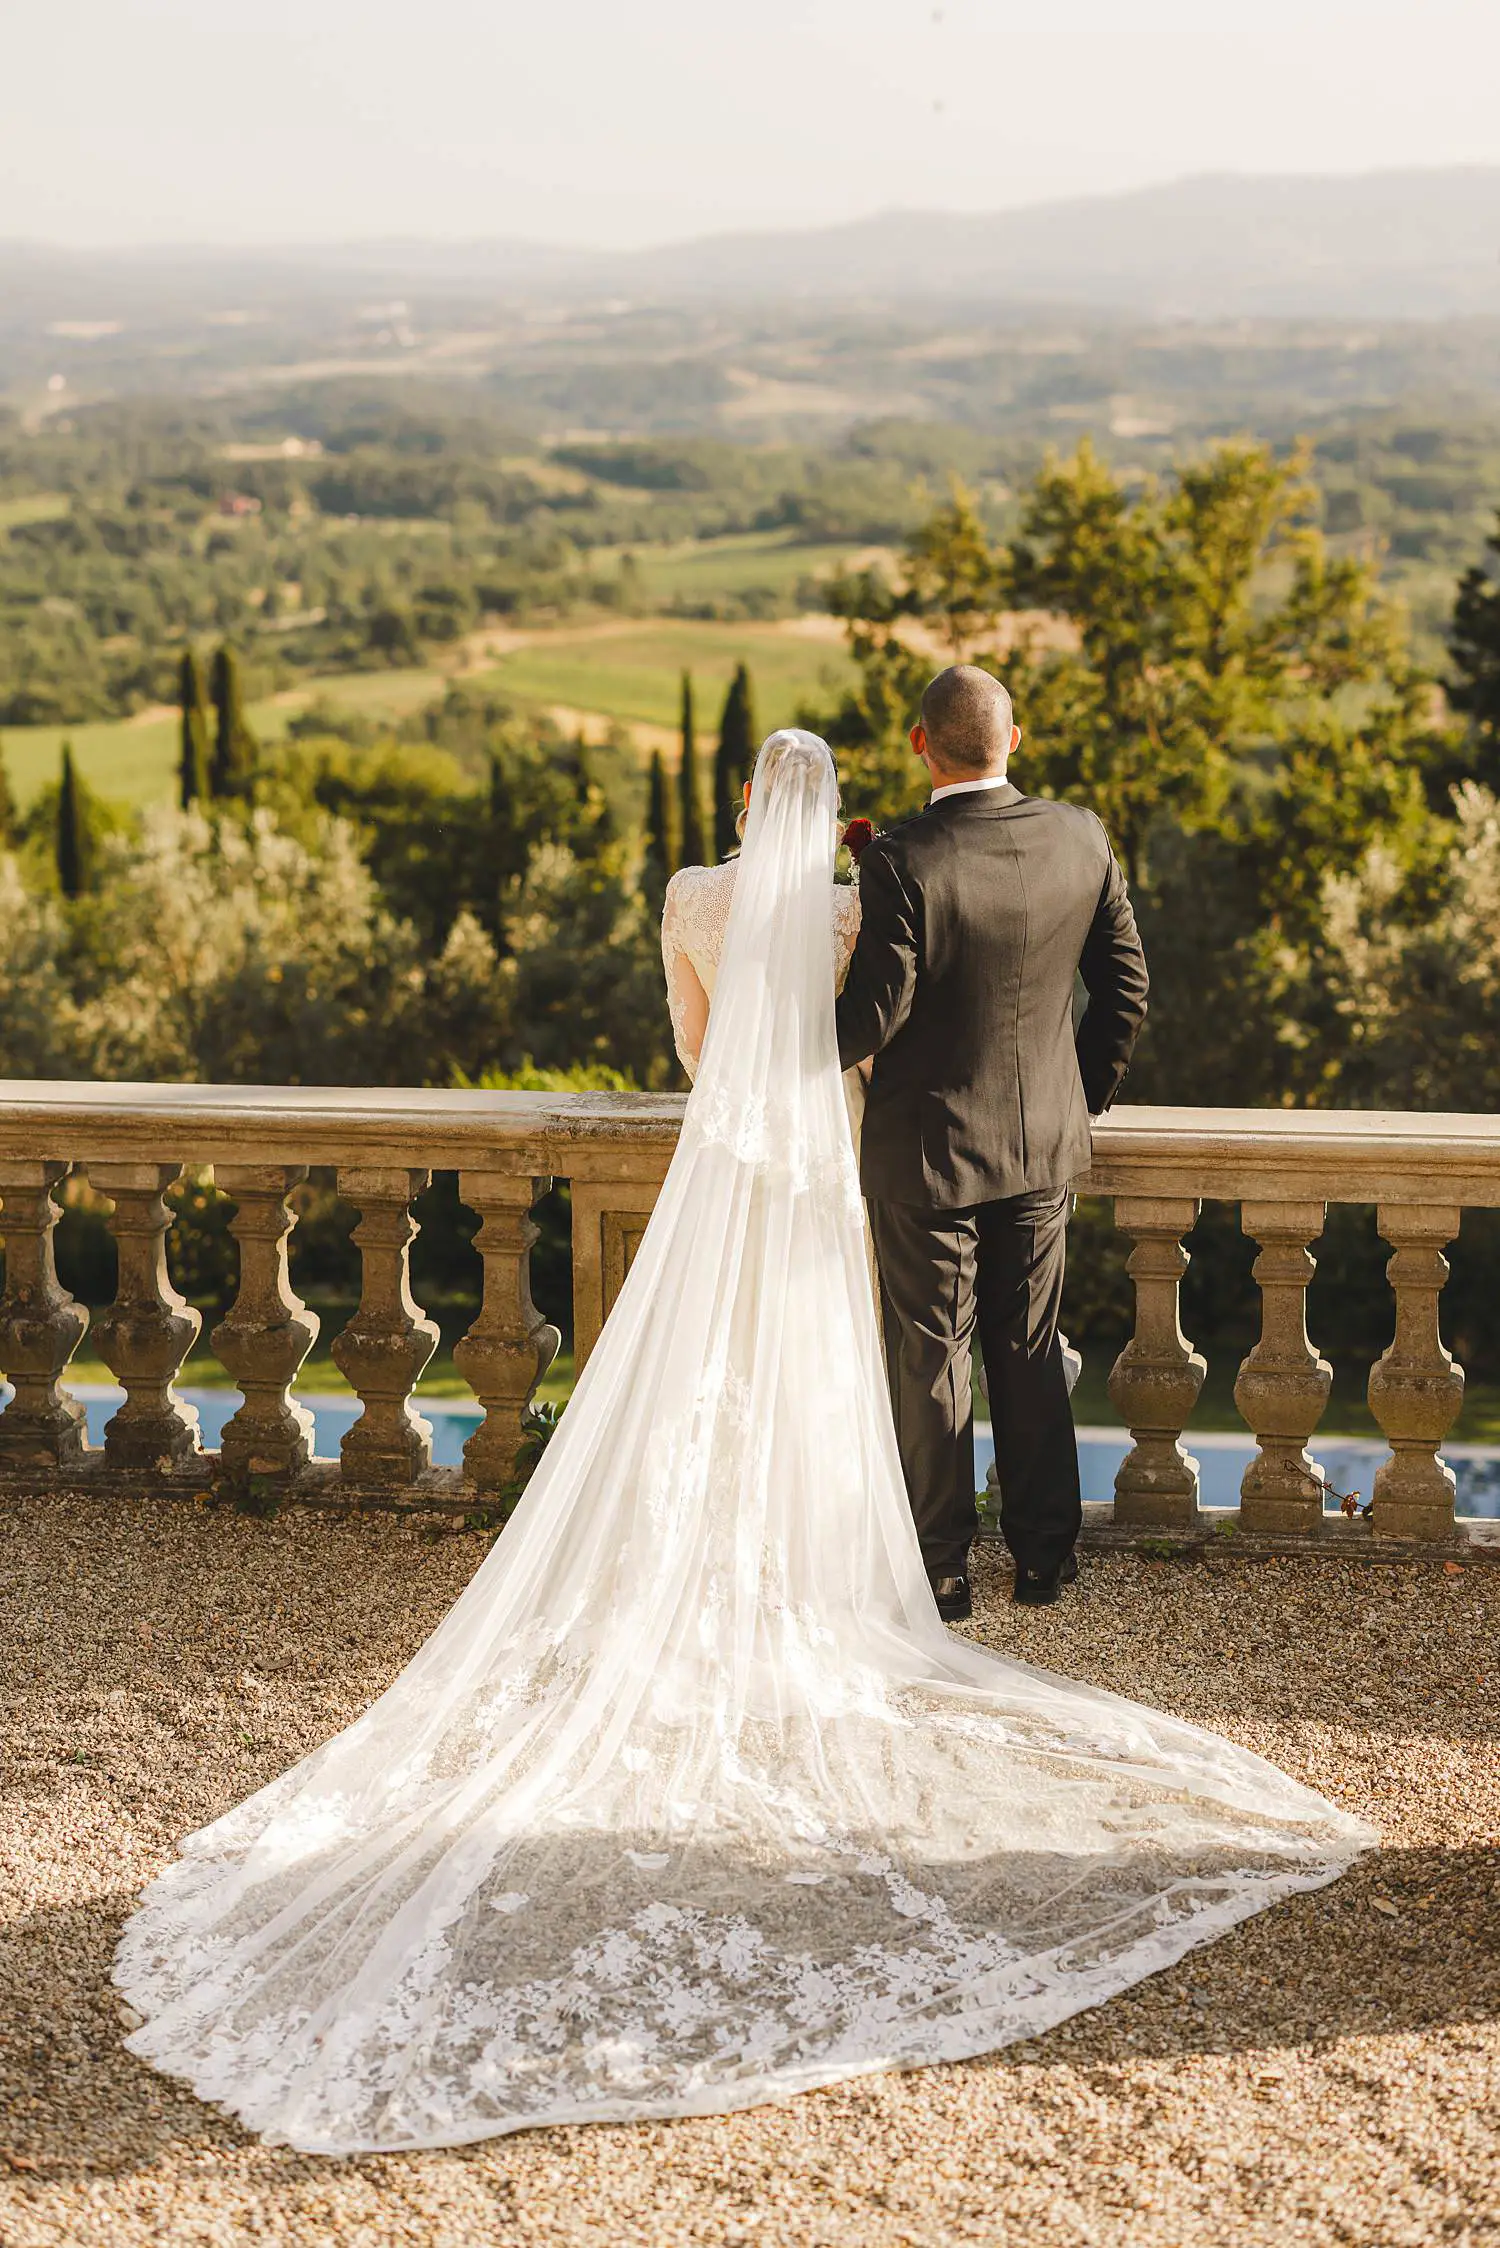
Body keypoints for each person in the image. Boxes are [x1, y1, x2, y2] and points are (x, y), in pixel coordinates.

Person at [115, 728, 1368, 2155]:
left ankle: (858, 1560)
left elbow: (698, 1046)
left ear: (745, 804)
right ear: (838, 808)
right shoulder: (882, 888)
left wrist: (771, 1067)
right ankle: (977, 1563)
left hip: (742, 1159)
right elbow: (930, 1006)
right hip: (865, 1157)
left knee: (740, 1374)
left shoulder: (700, 900)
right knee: (899, 1367)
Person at [837, 666, 1148, 1619]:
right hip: (1041, 1148)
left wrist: (770, 1035)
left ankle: (942, 1569)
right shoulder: (1081, 836)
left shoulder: (903, 858)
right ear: (1015, 740)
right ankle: (1046, 1557)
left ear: (921, 744)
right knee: (1026, 1342)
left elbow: (871, 1019)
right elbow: (1126, 991)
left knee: (931, 1356)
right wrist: (1071, 1101)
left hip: (924, 1153)